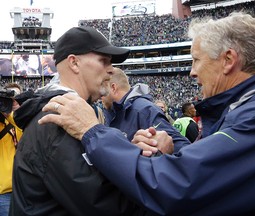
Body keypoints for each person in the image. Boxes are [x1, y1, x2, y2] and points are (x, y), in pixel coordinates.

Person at [39, 12, 255, 215]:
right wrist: (173, 152)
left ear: (228, 60)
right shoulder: (248, 109)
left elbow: (177, 185)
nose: (191, 72)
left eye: (196, 60)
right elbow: (212, 170)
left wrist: (92, 132)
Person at [9, 26, 152, 216]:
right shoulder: (57, 121)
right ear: (74, 63)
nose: (111, 70)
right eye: (104, 61)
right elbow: (108, 206)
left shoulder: (68, 113)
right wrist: (152, 164)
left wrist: (126, 154)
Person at [99, 67, 190, 154]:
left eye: (102, 90)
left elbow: (182, 147)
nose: (100, 96)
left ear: (113, 88)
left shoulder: (144, 110)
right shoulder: (112, 112)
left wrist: (147, 156)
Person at [0, 83, 23, 216]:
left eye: (16, 98)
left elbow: (26, 131)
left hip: (21, 188)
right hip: (3, 192)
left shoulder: (21, 121)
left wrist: (12, 112)